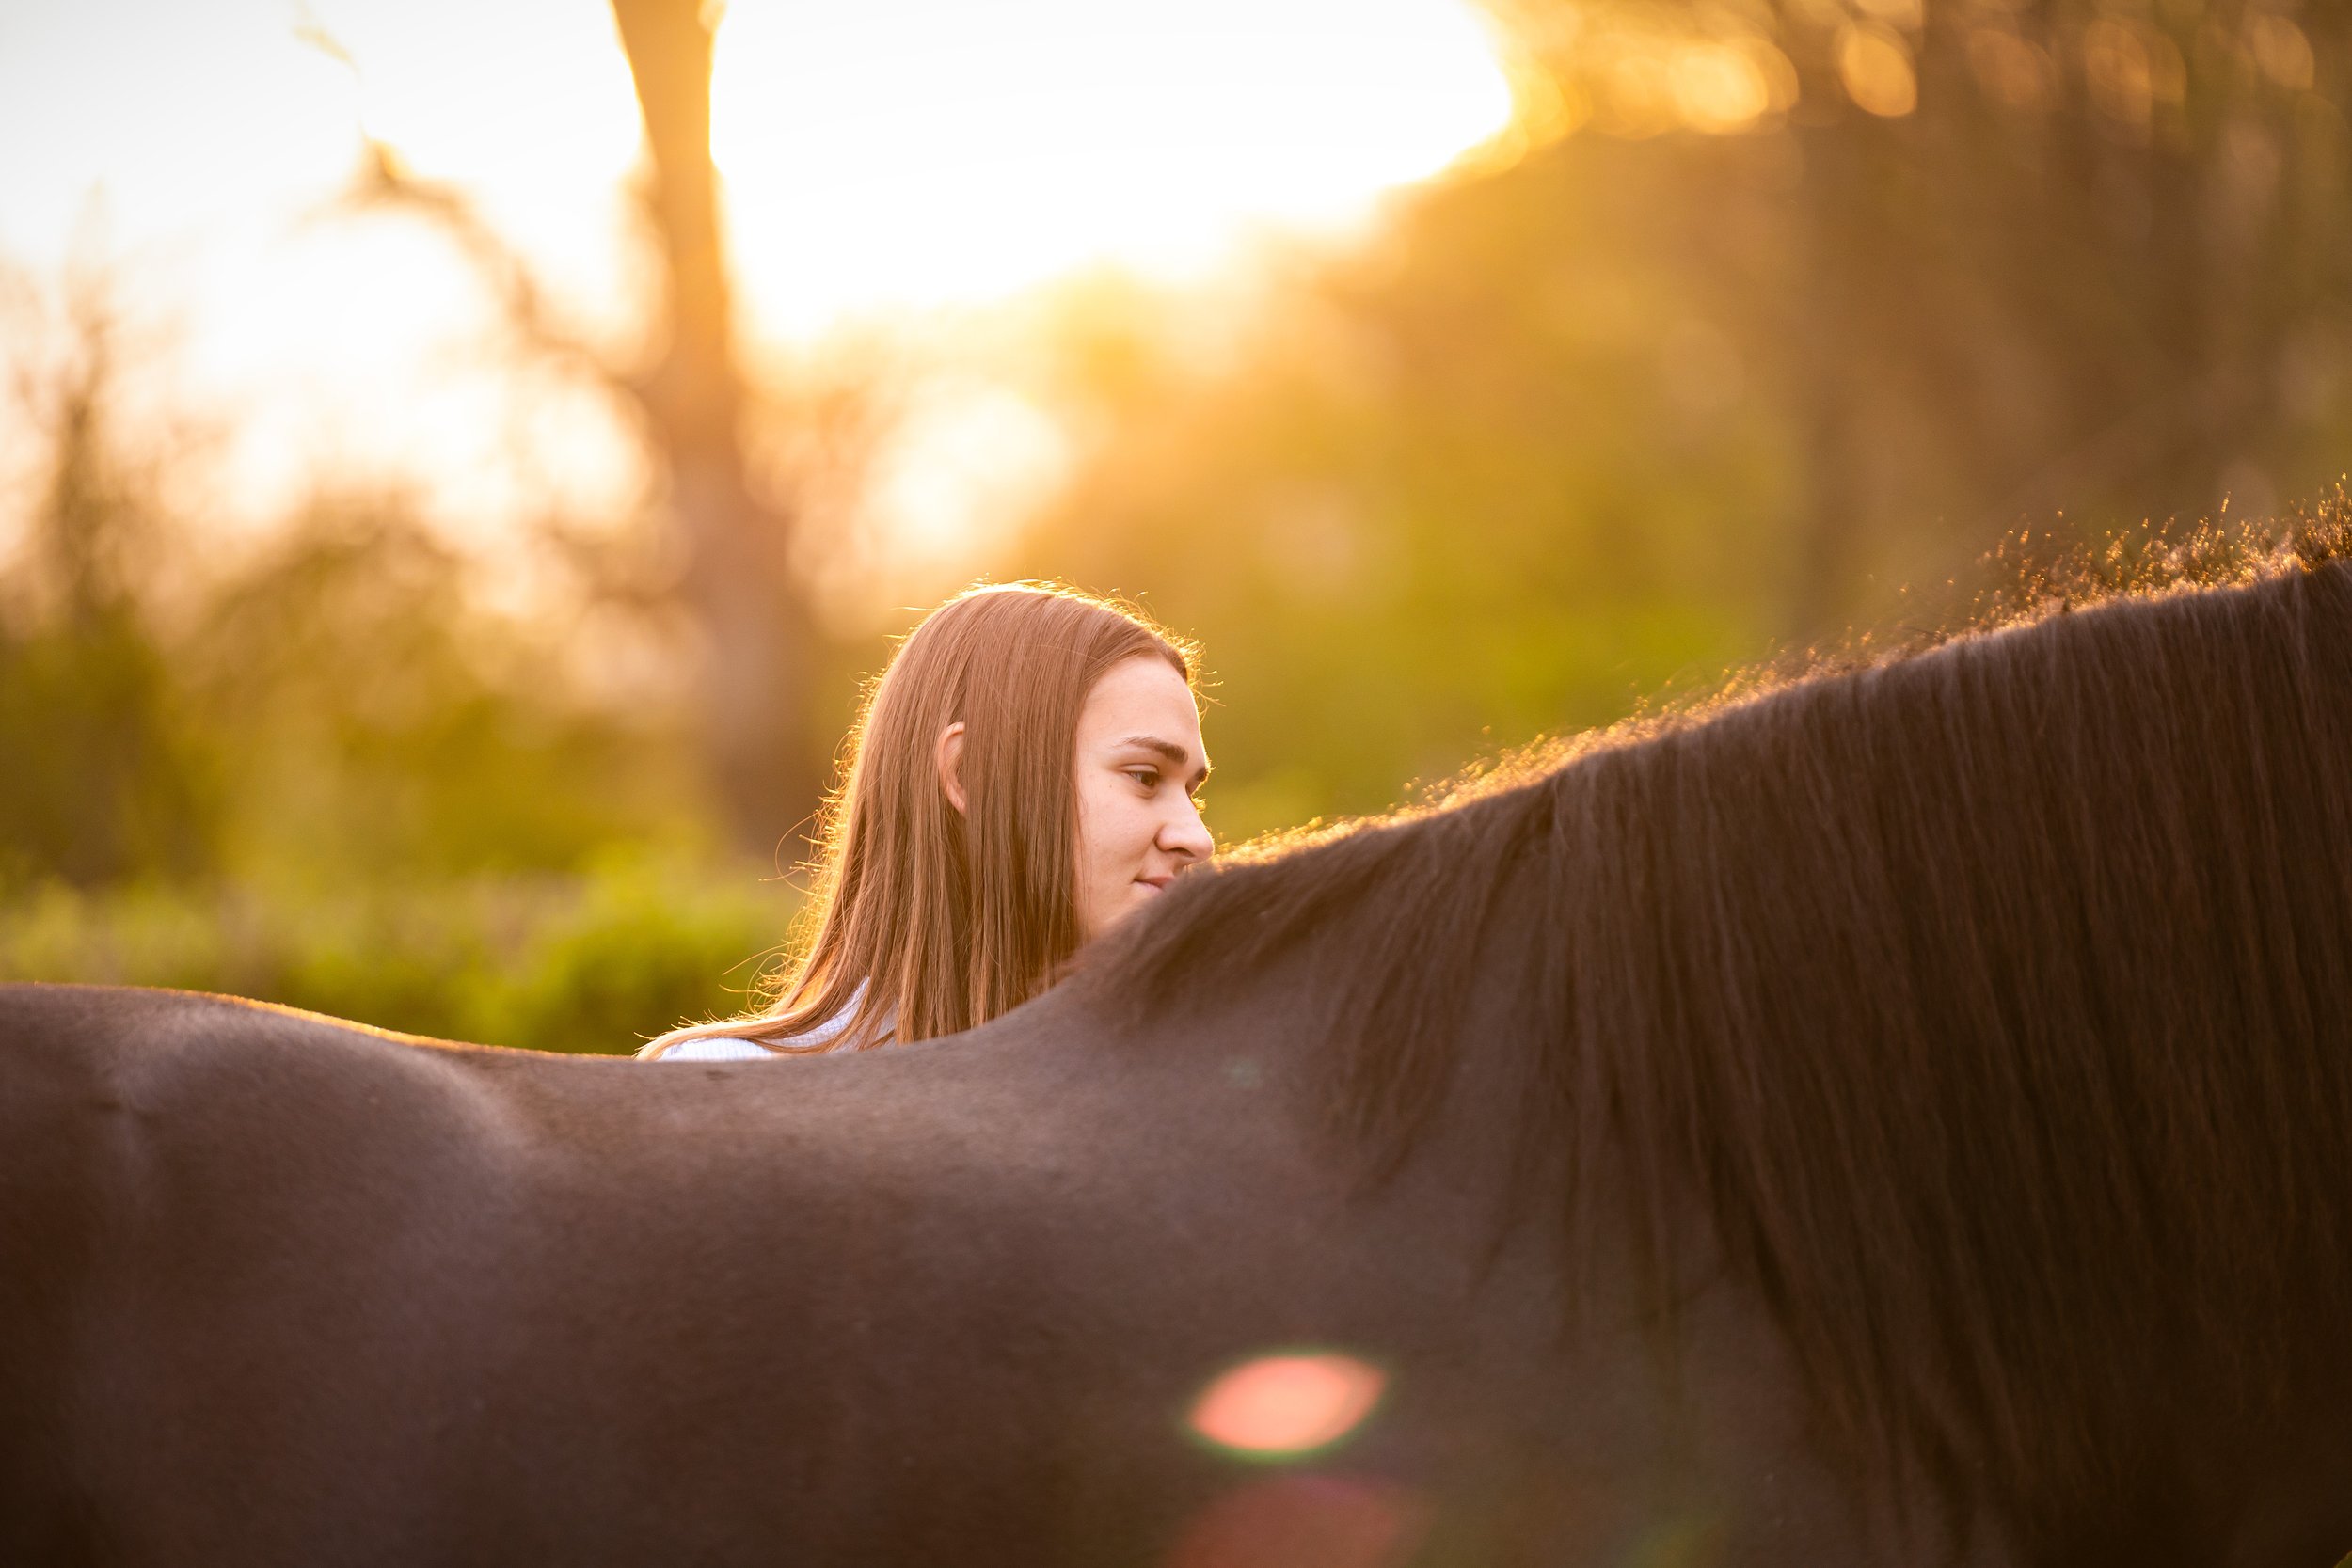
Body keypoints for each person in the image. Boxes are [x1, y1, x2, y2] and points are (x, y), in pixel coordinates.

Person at [644, 581, 1213, 1061]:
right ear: (970, 774)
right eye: (1144, 777)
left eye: (1192, 792)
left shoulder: (1185, 1092)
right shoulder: (723, 1093)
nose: (1198, 838)